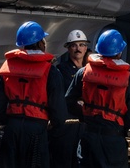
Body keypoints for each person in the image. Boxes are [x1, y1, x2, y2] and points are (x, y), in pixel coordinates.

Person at [0, 21, 68, 168]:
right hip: (36, 131)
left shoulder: (8, 67)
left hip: (12, 128)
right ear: (41, 43)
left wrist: (8, 122)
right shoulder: (51, 71)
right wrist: (54, 125)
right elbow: (59, 112)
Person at [66, 29, 130, 168]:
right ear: (119, 52)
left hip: (89, 137)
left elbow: (69, 101)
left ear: (98, 50)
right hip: (113, 140)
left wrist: (84, 116)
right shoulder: (128, 79)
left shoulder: (83, 72)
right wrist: (118, 129)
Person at [50, 29, 90, 168]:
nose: (78, 48)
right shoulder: (61, 70)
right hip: (66, 126)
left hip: (83, 126)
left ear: (86, 48)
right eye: (74, 45)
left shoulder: (90, 71)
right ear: (68, 48)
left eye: (81, 45)